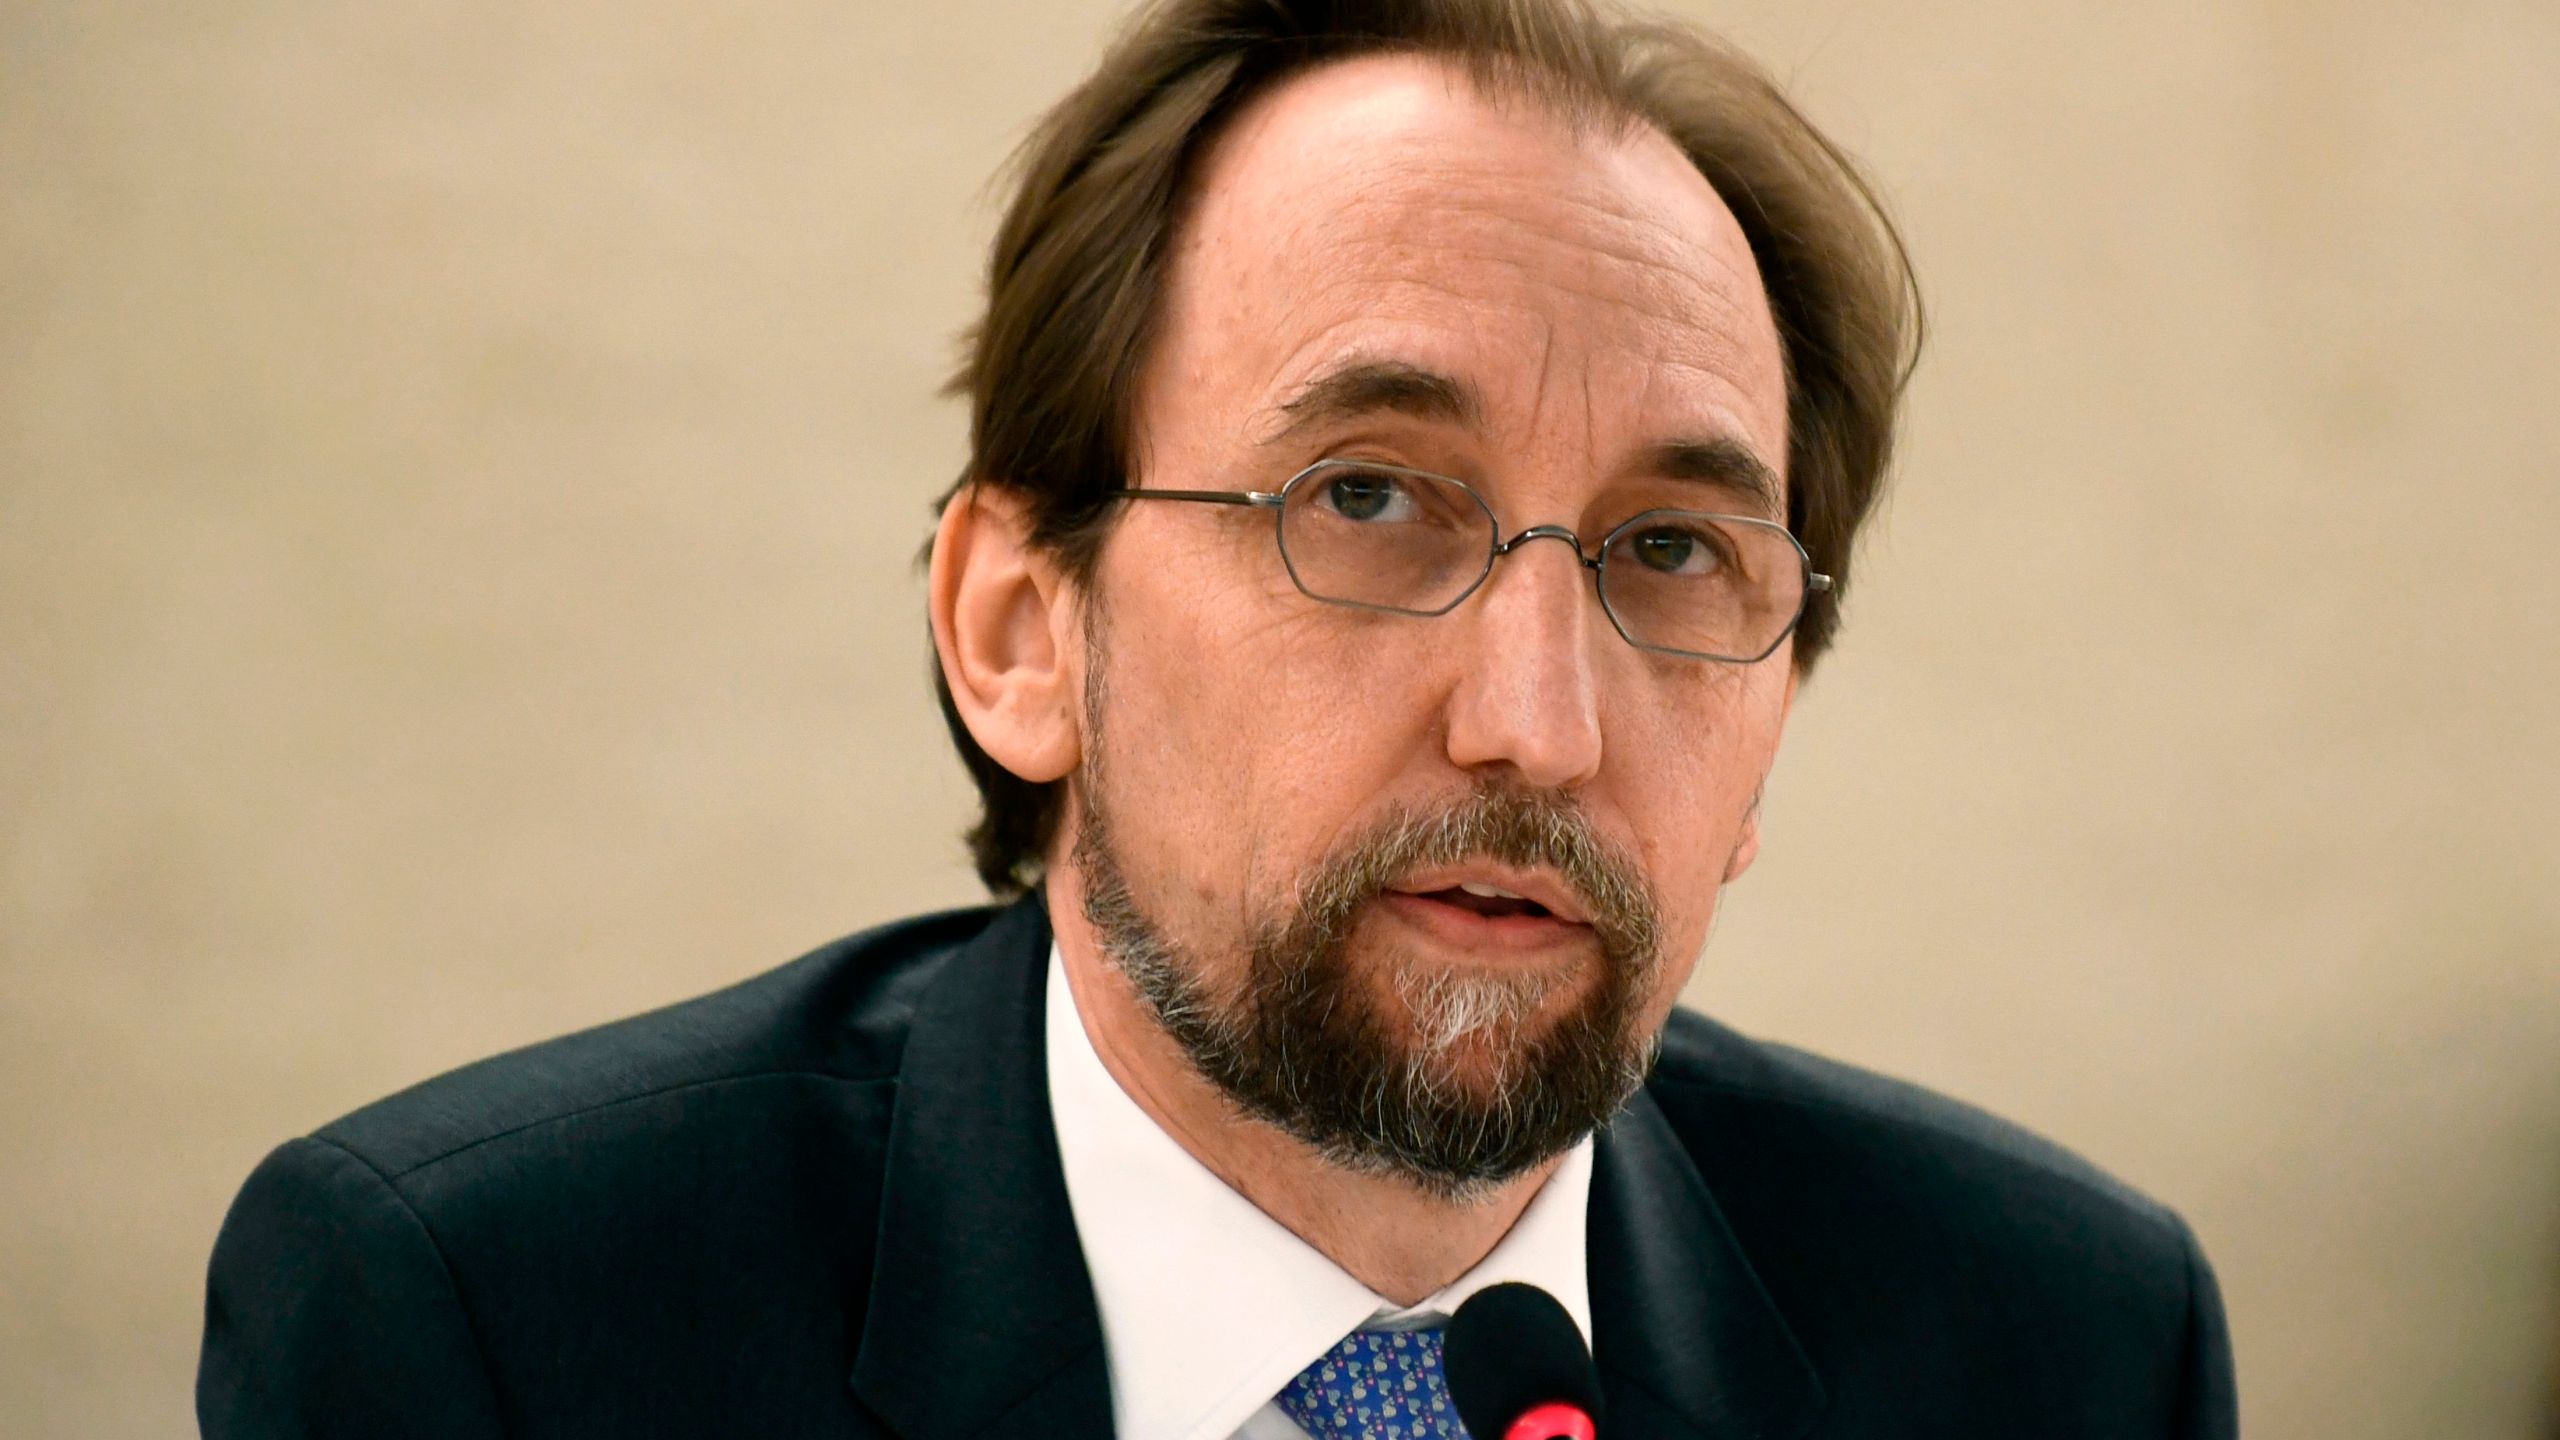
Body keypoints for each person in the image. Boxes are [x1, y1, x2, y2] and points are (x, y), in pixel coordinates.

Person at [198, 0, 2238, 1435]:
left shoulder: (2054, 1344)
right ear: (1019, 628)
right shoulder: (495, 1328)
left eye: (1669, 555)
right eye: (1365, 499)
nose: (1535, 725)